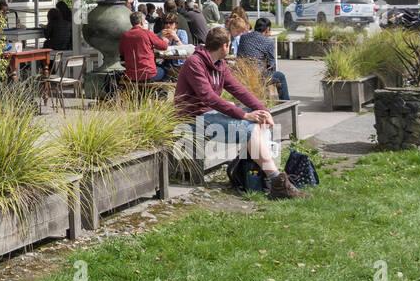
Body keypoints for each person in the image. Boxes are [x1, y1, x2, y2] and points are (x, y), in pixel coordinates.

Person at [175, 26, 305, 200]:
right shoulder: (195, 63)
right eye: (229, 45)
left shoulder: (220, 65)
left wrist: (263, 110)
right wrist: (244, 115)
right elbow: (209, 97)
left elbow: (238, 90)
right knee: (249, 128)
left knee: (256, 124)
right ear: (224, 46)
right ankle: (276, 181)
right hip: (193, 117)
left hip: (208, 112)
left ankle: (265, 179)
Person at [236, 17, 289, 101]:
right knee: (280, 76)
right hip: (257, 76)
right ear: (267, 29)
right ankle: (286, 103)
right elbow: (271, 65)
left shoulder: (244, 37)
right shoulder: (268, 42)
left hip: (242, 74)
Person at [119, 11, 168, 85]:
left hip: (131, 75)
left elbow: (121, 52)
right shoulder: (147, 33)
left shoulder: (125, 36)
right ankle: (160, 93)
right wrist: (165, 39)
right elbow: (164, 46)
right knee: (165, 71)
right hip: (148, 74)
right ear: (142, 22)